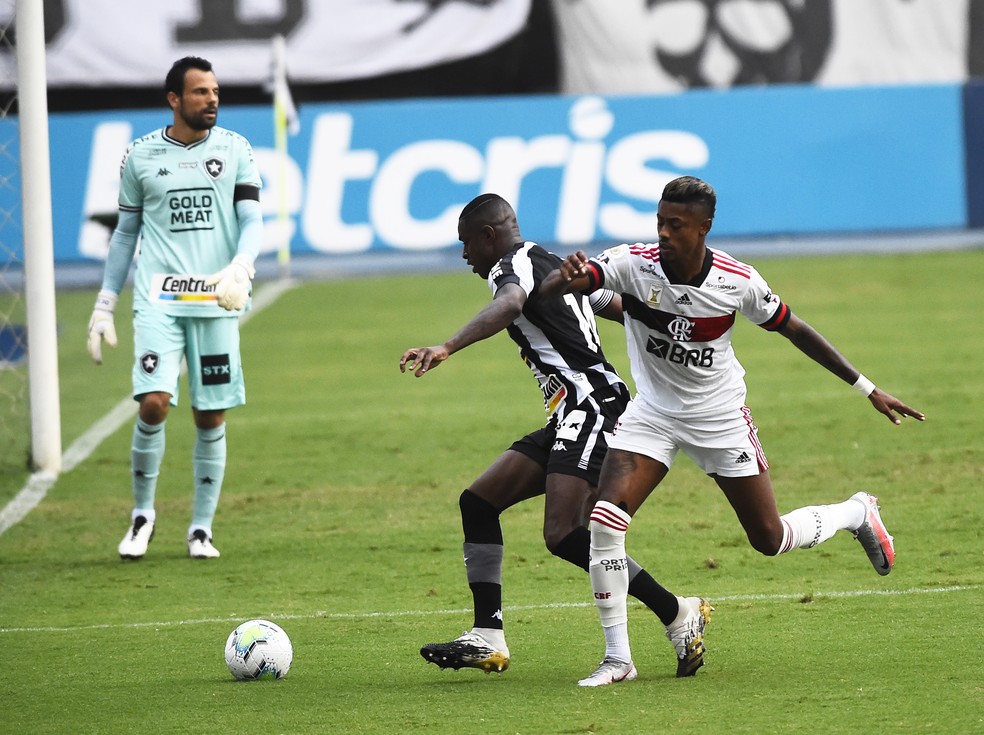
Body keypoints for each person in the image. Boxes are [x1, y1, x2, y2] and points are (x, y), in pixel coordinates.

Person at [541, 175, 926, 686]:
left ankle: (856, 512)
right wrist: (565, 279)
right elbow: (566, 286)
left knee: (769, 538)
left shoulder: (736, 280)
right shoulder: (632, 263)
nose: (664, 233)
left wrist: (867, 387)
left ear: (703, 227)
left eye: (676, 225)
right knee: (606, 523)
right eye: (660, 221)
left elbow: (796, 330)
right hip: (652, 416)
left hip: (719, 418)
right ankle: (618, 659)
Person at [400, 193, 710, 683]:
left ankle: (676, 612)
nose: (464, 256)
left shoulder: (511, 267)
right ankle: (488, 634)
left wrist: (448, 346)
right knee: (478, 503)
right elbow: (616, 306)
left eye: (466, 243)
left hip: (592, 408)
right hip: (574, 411)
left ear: (488, 236)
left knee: (564, 532)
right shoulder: (553, 266)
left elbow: (509, 304)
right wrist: (676, 330)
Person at [86, 56, 263, 560]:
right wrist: (105, 303)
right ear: (174, 99)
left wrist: (242, 264)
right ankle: (142, 516)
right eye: (201, 91)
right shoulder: (140, 156)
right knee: (154, 402)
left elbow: (252, 219)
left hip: (217, 298)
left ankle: (201, 529)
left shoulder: (235, 149)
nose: (212, 99)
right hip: (159, 298)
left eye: (215, 91)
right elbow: (125, 234)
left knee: (210, 415)